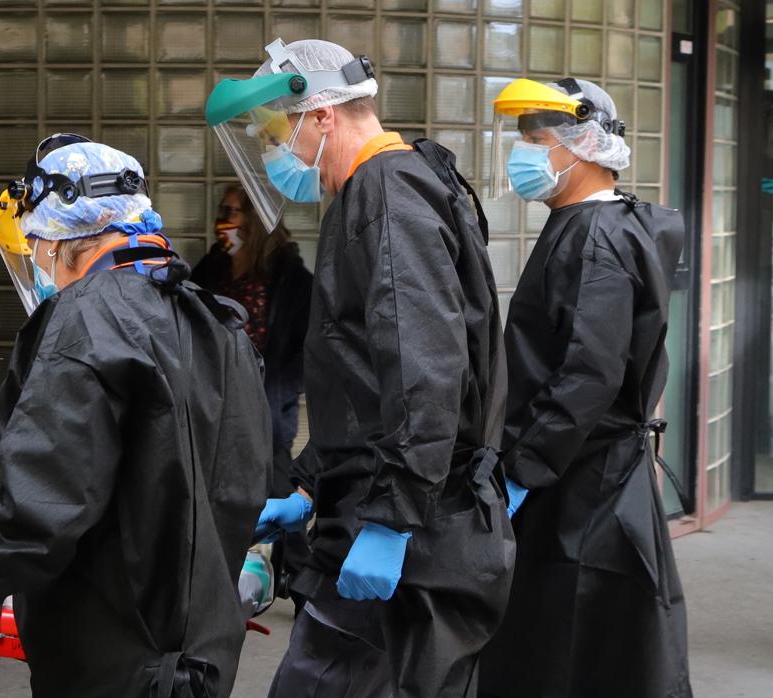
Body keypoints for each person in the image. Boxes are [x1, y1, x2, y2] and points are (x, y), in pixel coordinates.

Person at [0, 140, 271, 697]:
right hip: (201, 654)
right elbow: (235, 486)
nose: (38, 262)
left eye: (37, 245)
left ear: (60, 235)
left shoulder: (87, 318)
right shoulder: (215, 319)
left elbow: (41, 502)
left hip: (113, 661)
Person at [207, 39, 514, 697]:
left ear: (322, 116)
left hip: (416, 539)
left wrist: (391, 521)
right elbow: (366, 382)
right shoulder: (384, 187)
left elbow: (426, 369)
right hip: (391, 513)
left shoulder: (389, 193)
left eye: (275, 131)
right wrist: (312, 485)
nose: (272, 150)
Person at [476, 78, 692, 697]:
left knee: (576, 650)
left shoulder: (596, 237)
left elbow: (588, 373)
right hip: (580, 475)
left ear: (583, 146)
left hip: (581, 486)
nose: (524, 156)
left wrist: (522, 471)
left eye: (537, 141)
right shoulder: (594, 226)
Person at [191, 187, 311, 499]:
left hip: (266, 408)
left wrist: (283, 388)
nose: (222, 220)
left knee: (277, 495)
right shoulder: (213, 266)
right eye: (222, 211)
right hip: (215, 403)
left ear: (253, 219)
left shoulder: (288, 277)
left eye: (231, 212)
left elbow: (305, 346)